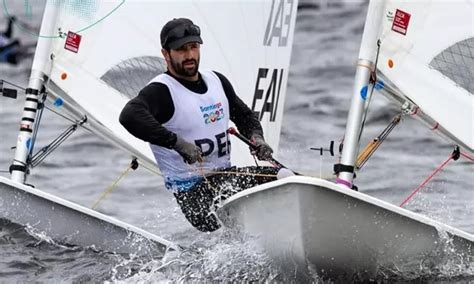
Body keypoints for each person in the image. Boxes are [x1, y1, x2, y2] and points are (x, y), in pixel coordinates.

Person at [119, 18, 279, 232]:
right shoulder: (162, 91)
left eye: (193, 47)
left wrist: (257, 138)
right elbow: (129, 116)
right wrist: (176, 143)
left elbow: (245, 116)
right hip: (194, 195)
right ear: (166, 54)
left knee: (287, 178)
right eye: (181, 50)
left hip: (226, 179)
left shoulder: (217, 81)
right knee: (278, 184)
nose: (189, 55)